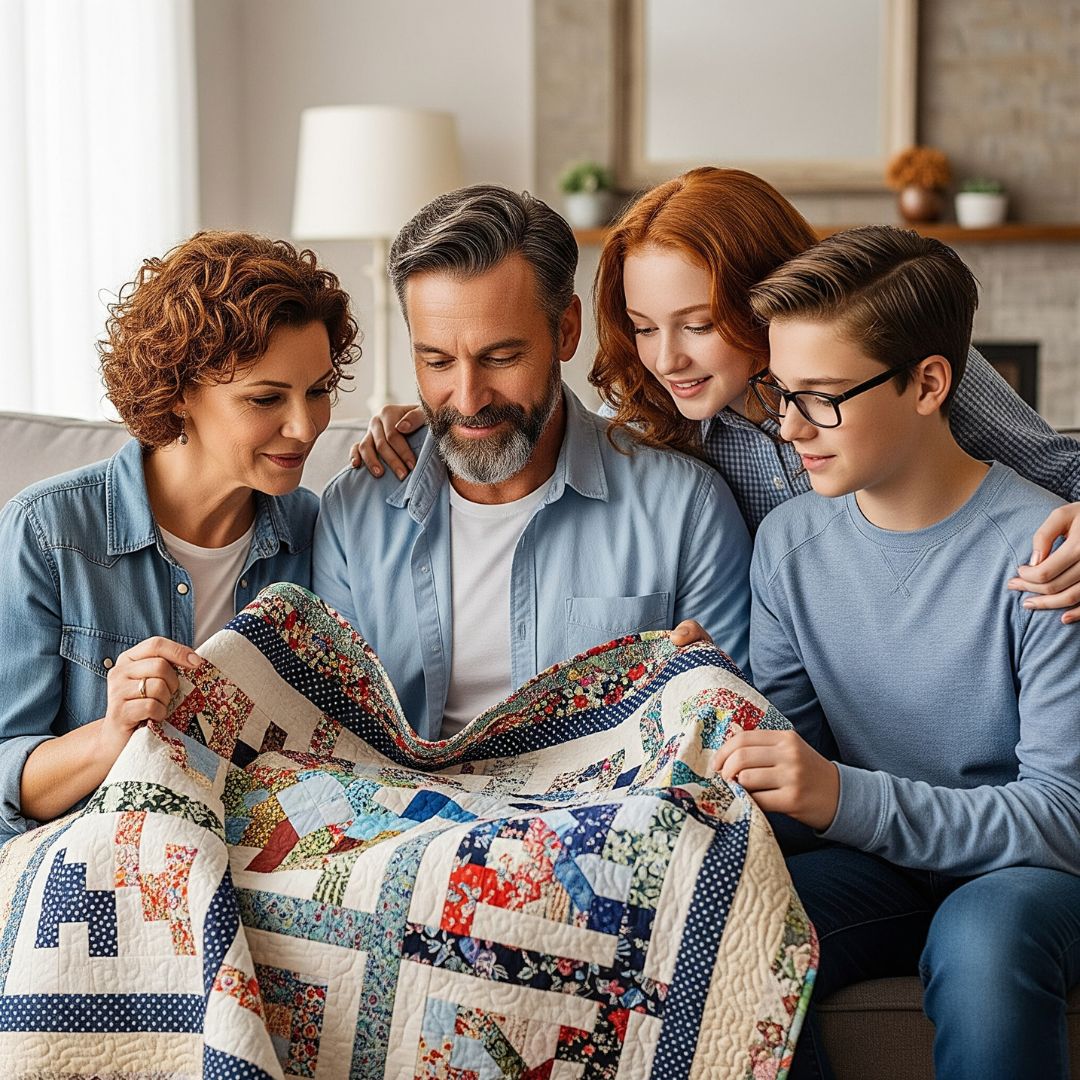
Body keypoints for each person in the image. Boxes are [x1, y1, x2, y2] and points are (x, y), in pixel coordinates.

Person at [356, 167, 1080, 620]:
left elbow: (1057, 470)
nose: (668, 359)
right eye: (642, 327)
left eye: (698, 324)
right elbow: (551, 436)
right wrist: (436, 414)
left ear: (763, 295)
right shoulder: (649, 409)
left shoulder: (894, 365)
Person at [715, 226, 1080, 1079]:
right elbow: (795, 769)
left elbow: (1064, 819)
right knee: (730, 916)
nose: (791, 426)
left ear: (928, 382)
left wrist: (842, 796)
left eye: (825, 396)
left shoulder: (1047, 551)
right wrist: (702, 697)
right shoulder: (789, 544)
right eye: (781, 391)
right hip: (878, 867)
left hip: (1025, 875)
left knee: (984, 938)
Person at [313, 184, 752, 741]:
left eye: (501, 358)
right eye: (438, 360)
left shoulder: (684, 507)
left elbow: (727, 737)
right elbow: (328, 735)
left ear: (565, 331)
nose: (469, 399)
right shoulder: (354, 511)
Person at [0, 230, 359, 839]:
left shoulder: (317, 533)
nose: (305, 427)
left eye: (319, 391)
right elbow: (9, 775)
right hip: (91, 856)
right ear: (181, 391)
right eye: (266, 397)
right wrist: (113, 732)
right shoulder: (49, 531)